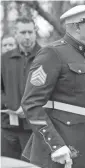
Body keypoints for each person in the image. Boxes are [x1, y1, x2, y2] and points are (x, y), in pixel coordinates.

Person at [21, 3, 85, 168]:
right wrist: (54, 144)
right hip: (60, 147)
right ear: (76, 26)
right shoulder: (53, 53)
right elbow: (31, 103)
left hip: (84, 145)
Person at [1, 17, 41, 160]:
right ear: (15, 33)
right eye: (23, 32)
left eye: (30, 32)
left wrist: (27, 107)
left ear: (35, 32)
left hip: (35, 128)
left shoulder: (46, 57)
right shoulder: (5, 59)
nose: (27, 36)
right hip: (8, 127)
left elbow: (53, 91)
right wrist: (10, 104)